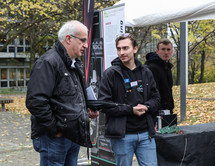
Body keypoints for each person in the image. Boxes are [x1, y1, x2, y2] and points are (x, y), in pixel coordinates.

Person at [26, 20, 99, 166]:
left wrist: (86, 109)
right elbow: (36, 101)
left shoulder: (74, 63)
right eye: (83, 40)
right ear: (68, 38)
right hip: (54, 138)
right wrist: (55, 129)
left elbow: (70, 96)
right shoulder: (48, 62)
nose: (86, 45)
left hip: (71, 135)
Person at [98, 33, 160, 166]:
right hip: (122, 136)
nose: (122, 52)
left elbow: (156, 98)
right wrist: (131, 110)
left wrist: (147, 107)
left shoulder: (146, 72)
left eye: (125, 48)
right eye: (119, 49)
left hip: (145, 134)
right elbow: (104, 105)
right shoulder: (110, 74)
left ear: (135, 48)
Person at [145, 38, 175, 114]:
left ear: (171, 52)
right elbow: (152, 92)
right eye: (163, 49)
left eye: (168, 50)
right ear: (157, 51)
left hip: (167, 109)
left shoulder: (167, 66)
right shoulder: (152, 68)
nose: (166, 52)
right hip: (158, 111)